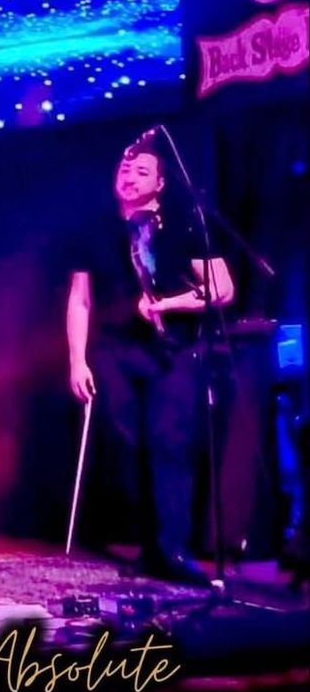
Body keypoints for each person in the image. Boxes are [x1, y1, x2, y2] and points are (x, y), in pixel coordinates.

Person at [65, 139, 233, 587]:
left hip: (171, 350)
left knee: (169, 444)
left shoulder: (184, 223)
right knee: (130, 446)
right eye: (125, 168)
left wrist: (168, 304)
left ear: (160, 182)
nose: (129, 176)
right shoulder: (97, 229)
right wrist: (77, 359)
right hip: (116, 351)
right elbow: (80, 299)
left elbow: (222, 288)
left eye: (141, 171)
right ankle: (149, 547)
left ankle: (174, 549)